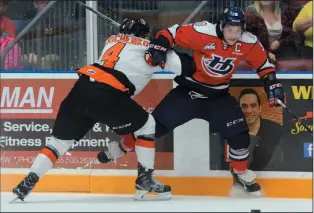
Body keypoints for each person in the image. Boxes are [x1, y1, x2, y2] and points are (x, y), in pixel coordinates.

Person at [99, 7, 286, 197]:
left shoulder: (248, 42)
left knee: (239, 136)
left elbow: (264, 66)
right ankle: (120, 148)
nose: (233, 35)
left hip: (218, 97)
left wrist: (272, 84)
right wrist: (160, 45)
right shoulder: (203, 31)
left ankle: (240, 176)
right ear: (222, 25)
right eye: (230, 30)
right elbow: (169, 33)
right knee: (153, 128)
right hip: (188, 93)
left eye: (238, 30)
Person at [12, 17, 194, 202]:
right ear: (144, 33)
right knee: (147, 126)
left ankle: (28, 181)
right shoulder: (150, 46)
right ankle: (145, 179)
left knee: (57, 144)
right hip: (109, 93)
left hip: (81, 89)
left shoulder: (111, 40)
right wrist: (170, 51)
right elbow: (183, 67)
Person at [238, 88, 282, 170]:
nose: (249, 110)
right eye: (244, 106)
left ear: (260, 108)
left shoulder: (276, 129)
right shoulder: (233, 131)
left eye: (253, 105)